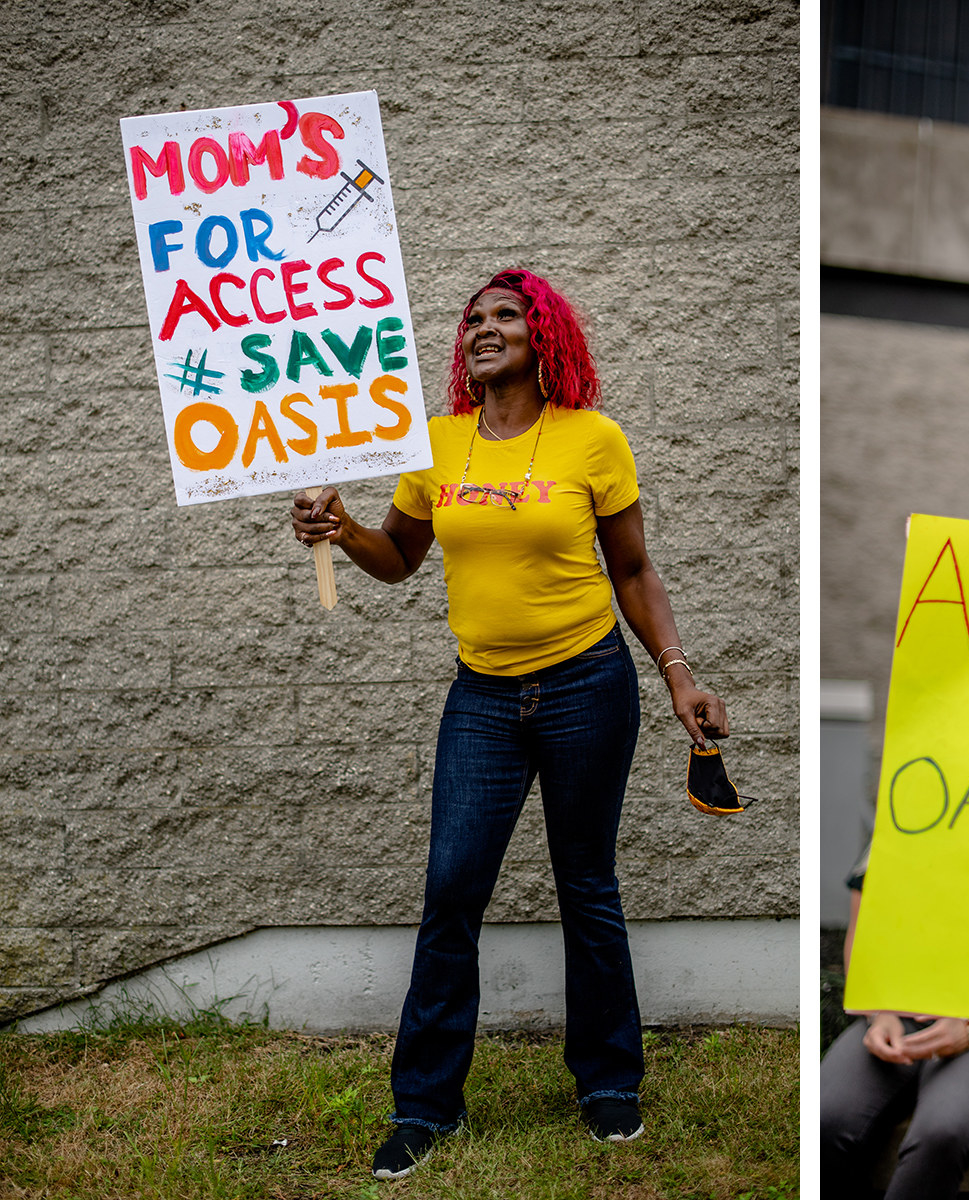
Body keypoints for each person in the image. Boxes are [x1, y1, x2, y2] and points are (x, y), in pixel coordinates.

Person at [289, 268, 729, 1180]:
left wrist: (679, 673)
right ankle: (425, 1106)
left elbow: (635, 570)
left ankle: (609, 1085)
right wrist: (338, 529)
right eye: (471, 321)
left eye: (505, 316)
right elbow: (398, 557)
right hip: (483, 697)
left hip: (588, 684)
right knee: (452, 889)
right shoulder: (435, 443)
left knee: (587, 886)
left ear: (545, 335)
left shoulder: (592, 440)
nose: (482, 329)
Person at [821, 844, 969, 1200]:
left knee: (942, 1131)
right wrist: (878, 1011)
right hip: (902, 1018)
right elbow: (865, 932)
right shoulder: (909, 817)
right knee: (825, 1119)